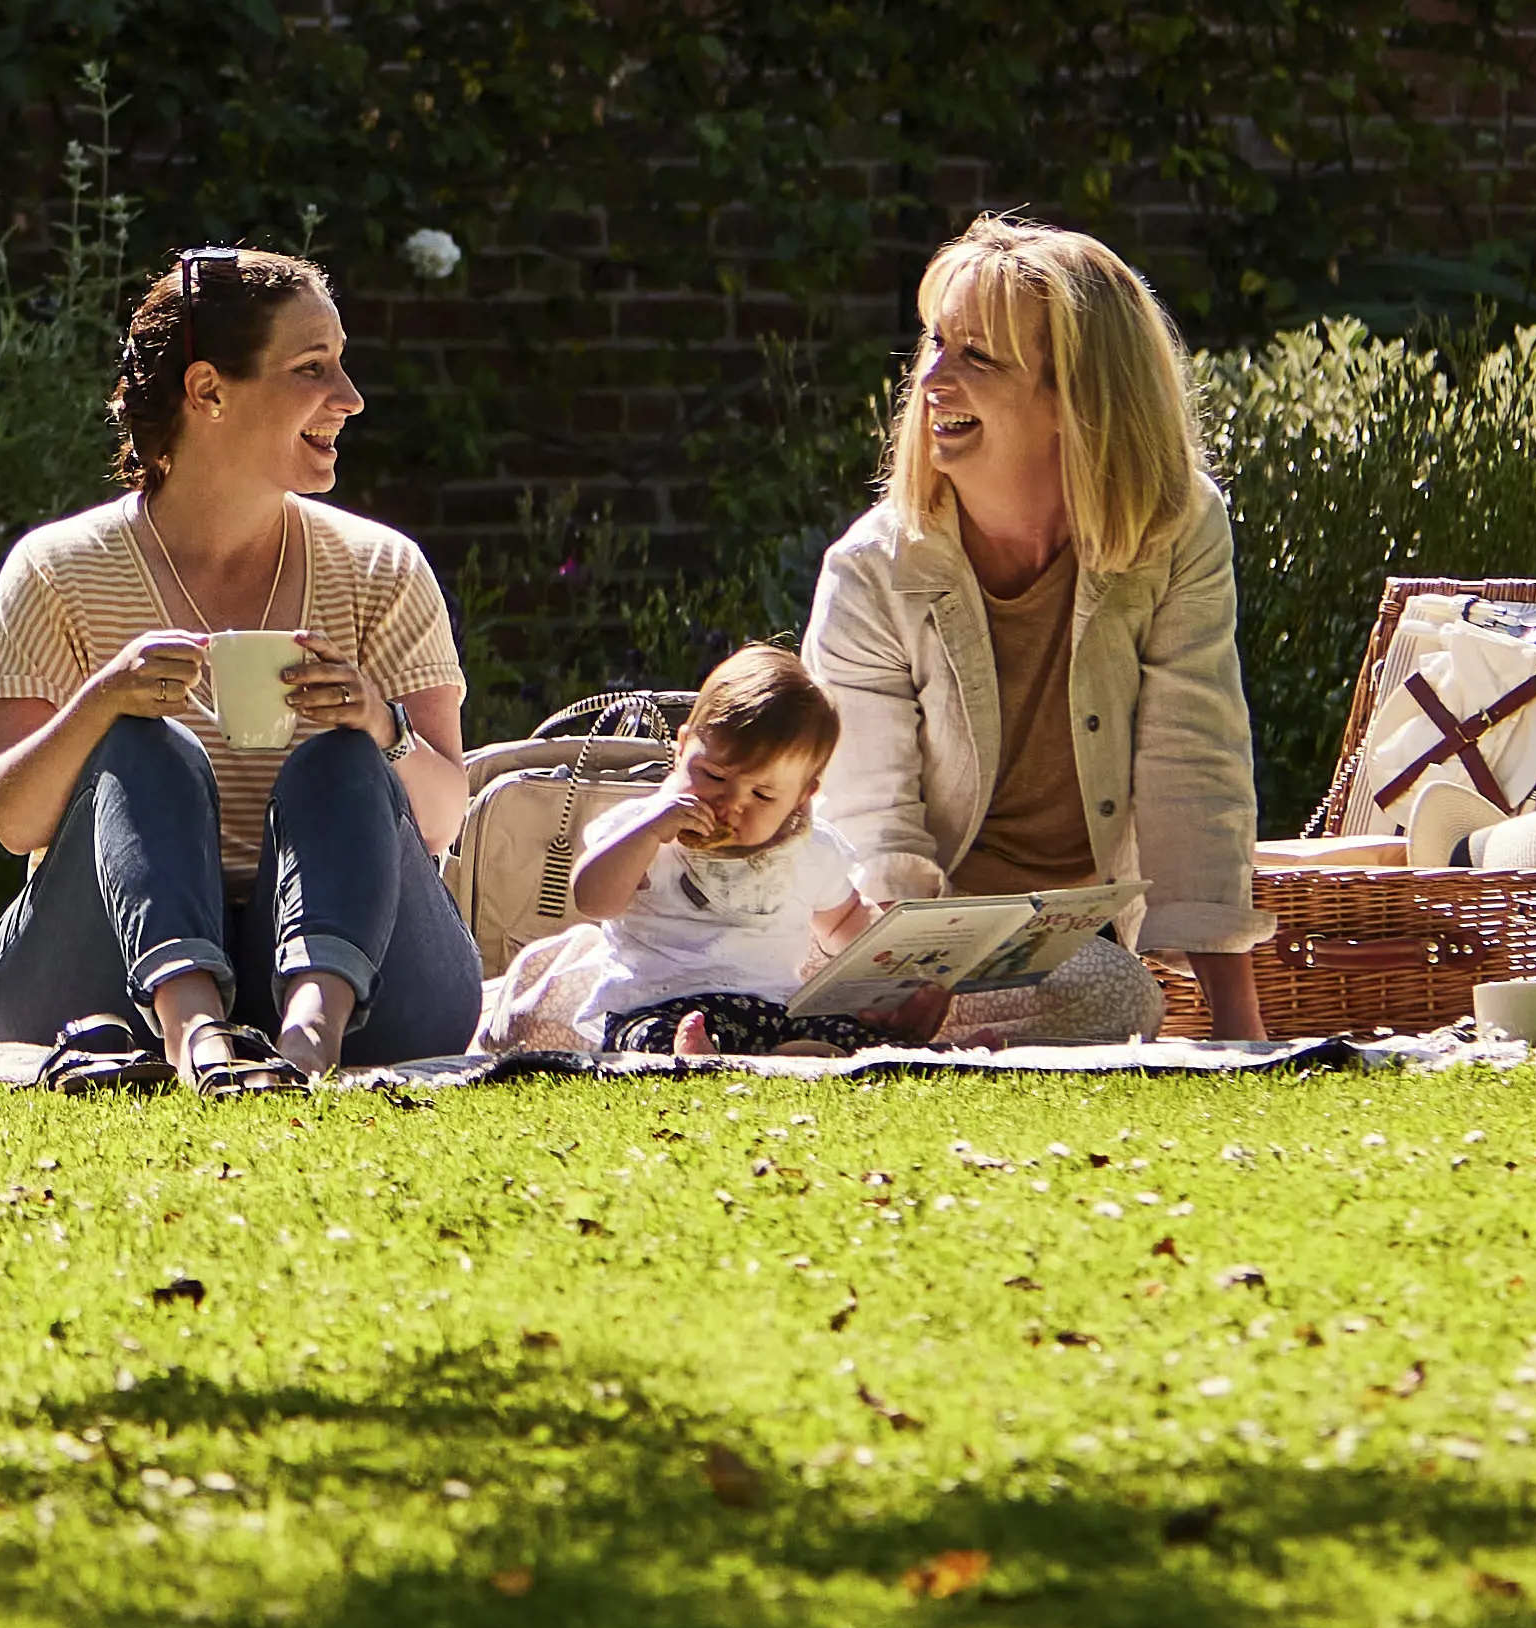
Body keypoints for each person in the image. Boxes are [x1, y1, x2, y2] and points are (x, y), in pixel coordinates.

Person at [0, 244, 480, 1081]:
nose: (348, 398)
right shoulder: (56, 568)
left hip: (378, 988)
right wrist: (100, 703)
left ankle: (309, 1035)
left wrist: (380, 724)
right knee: (142, 746)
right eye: (312, 368)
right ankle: (193, 1030)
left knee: (342, 758)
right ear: (208, 391)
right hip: (95, 987)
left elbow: (446, 816)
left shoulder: (382, 569)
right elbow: (15, 821)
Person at [795, 214, 1272, 1043]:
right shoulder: (870, 571)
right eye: (935, 345)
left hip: (1061, 945)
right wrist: (904, 997)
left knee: (1109, 988)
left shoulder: (1177, 528)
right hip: (887, 938)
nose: (932, 379)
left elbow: (1193, 768)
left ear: (1074, 398)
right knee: (1117, 998)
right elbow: (872, 835)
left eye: (975, 357)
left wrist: (1238, 1024)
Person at [476, 644, 865, 1060]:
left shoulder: (810, 850)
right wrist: (647, 834)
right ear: (682, 749)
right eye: (713, 775)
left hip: (769, 1007)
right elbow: (594, 900)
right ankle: (701, 1054)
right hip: (657, 1004)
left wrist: (895, 966)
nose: (730, 803)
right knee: (645, 1039)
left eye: (763, 794)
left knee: (856, 1030)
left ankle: (792, 1052)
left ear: (803, 795)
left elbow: (845, 921)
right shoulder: (646, 829)